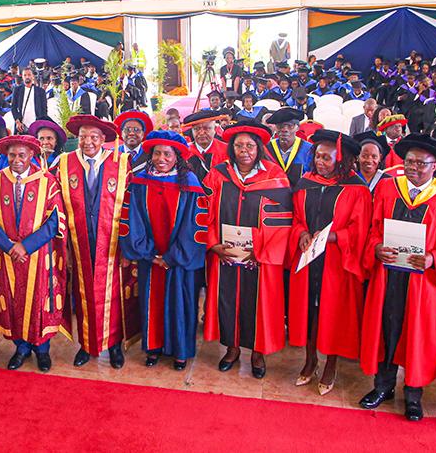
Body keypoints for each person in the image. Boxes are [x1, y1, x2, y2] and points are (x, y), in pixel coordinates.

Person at [359, 134, 436, 422]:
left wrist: (434, 258)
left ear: (435, 166)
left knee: (418, 336)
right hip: (388, 275)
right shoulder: (387, 188)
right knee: (386, 329)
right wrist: (376, 247)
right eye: (409, 162)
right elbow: (373, 230)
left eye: (421, 163)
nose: (414, 168)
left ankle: (413, 394)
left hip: (424, 281)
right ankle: (383, 387)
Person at [201, 121, 292, 378]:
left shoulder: (275, 176)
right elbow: (204, 211)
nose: (244, 150)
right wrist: (213, 244)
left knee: (259, 304)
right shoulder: (217, 174)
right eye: (239, 145)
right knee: (227, 300)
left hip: (259, 258)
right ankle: (231, 349)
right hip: (225, 254)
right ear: (231, 148)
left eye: (250, 145)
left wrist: (261, 251)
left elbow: (284, 220)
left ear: (258, 148)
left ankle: (257, 353)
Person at [288, 130, 372, 395]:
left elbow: (360, 228)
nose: (320, 162)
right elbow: (295, 217)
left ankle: (330, 365)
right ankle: (310, 360)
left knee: (332, 313)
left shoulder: (357, 189)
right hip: (308, 258)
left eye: (326, 157)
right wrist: (301, 232)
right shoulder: (305, 183)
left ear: (341, 159)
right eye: (317, 156)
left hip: (337, 260)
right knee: (309, 311)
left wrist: (334, 236)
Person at [57, 114, 139, 368]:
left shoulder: (121, 163)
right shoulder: (65, 163)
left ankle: (114, 345)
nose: (88, 142)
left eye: (94, 137)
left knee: (112, 295)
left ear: (104, 139)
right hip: (79, 240)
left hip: (112, 241)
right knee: (83, 294)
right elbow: (57, 207)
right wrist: (64, 248)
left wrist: (127, 248)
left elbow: (132, 208)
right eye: (83, 137)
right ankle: (86, 345)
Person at [120, 130, 205, 370]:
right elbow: (132, 219)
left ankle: (180, 352)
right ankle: (153, 347)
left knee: (181, 301)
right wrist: (149, 254)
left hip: (179, 259)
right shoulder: (140, 181)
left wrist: (171, 257)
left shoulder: (190, 184)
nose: (161, 158)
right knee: (152, 302)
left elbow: (194, 225)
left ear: (177, 156)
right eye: (157, 153)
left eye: (167, 153)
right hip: (150, 259)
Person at [0, 135, 68, 372]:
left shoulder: (47, 181)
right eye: (12, 155)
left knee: (40, 299)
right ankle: (20, 348)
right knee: (13, 300)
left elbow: (54, 220)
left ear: (32, 155)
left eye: (22, 155)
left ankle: (42, 349)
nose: (17, 160)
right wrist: (10, 247)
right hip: (7, 255)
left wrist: (26, 246)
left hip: (38, 255)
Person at [265, 108, 312, 184]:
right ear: (276, 128)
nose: (284, 129)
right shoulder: (266, 149)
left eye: (290, 125)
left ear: (297, 128)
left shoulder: (309, 150)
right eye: (280, 125)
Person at [183, 110, 229, 182]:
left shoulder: (226, 151)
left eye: (206, 128)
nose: (201, 133)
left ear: (215, 129)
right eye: (197, 129)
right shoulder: (185, 152)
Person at [11, 66, 48, 135]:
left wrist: (41, 123)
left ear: (33, 76)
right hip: (22, 125)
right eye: (25, 75)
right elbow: (13, 107)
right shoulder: (17, 90)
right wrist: (17, 121)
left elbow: (44, 109)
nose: (27, 77)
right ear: (22, 77)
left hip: (36, 124)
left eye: (29, 75)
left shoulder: (40, 91)